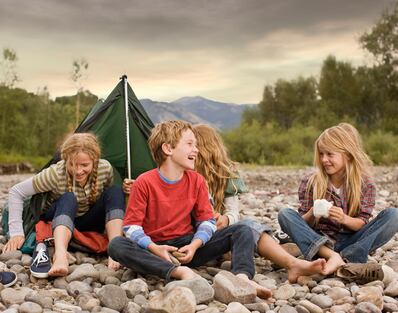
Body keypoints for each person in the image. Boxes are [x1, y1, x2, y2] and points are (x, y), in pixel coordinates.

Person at [110, 120, 272, 299]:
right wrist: (155, 247)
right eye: (189, 144)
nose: (196, 149)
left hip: (188, 246)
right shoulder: (144, 182)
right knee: (116, 245)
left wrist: (194, 245)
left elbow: (206, 221)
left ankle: (242, 277)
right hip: (155, 249)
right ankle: (177, 272)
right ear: (168, 149)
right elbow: (131, 226)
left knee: (242, 230)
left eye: (195, 145)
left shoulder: (197, 181)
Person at [192, 124, 326, 283]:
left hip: (221, 231)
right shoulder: (185, 176)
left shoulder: (226, 175)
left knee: (247, 225)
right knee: (248, 226)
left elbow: (233, 212)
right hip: (198, 238)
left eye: (193, 145)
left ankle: (288, 260)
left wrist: (226, 220)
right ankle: (281, 254)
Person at [278, 123, 398, 275]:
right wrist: (312, 213)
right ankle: (332, 257)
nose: (324, 160)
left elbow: (362, 223)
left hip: (351, 241)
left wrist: (344, 219)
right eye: (321, 154)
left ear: (347, 155)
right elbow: (301, 224)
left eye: (330, 154)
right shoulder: (310, 181)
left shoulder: (365, 184)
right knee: (285, 214)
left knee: (393, 215)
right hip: (319, 240)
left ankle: (348, 257)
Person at [3, 133, 124, 277]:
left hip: (86, 221)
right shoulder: (55, 173)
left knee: (116, 191)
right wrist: (16, 232)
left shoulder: (105, 168)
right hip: (58, 218)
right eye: (72, 164)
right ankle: (60, 256)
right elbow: (16, 192)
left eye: (85, 165)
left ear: (95, 160)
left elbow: (108, 200)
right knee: (68, 197)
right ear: (65, 160)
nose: (78, 171)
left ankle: (115, 249)